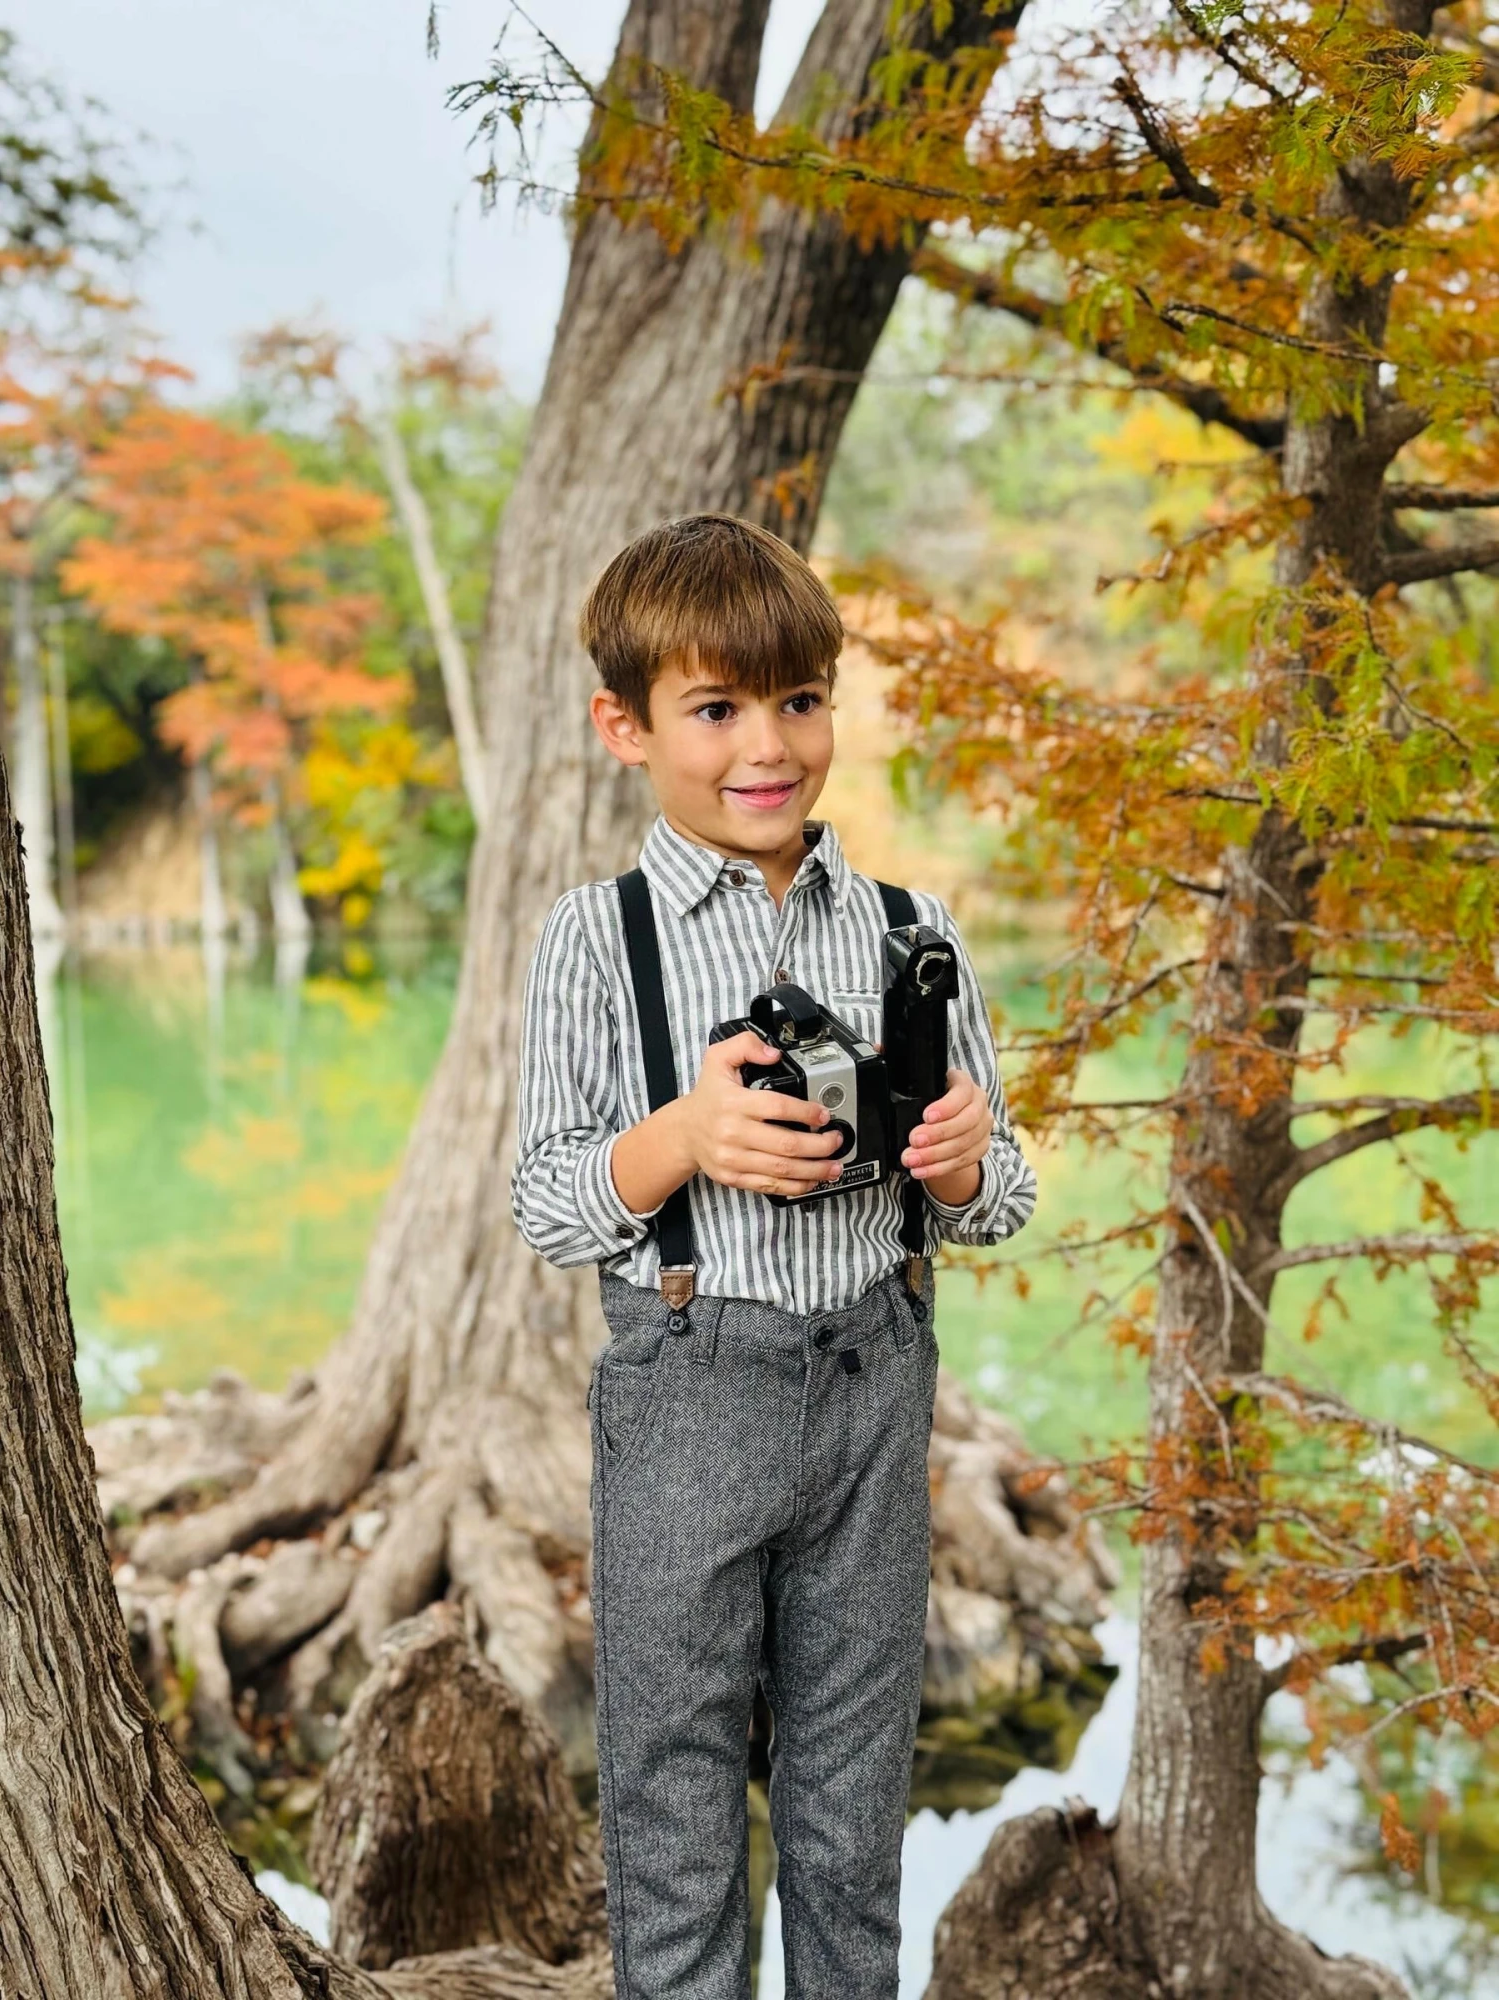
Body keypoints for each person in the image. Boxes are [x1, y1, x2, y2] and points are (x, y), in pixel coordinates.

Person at [510, 513, 1037, 2000]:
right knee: (673, 1806)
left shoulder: (912, 932)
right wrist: (687, 1137)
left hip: (876, 1379)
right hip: (689, 1384)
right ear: (625, 727)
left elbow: (1003, 1194)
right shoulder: (596, 939)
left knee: (853, 1809)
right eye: (716, 709)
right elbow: (548, 1200)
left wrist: (963, 1161)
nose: (769, 747)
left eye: (800, 701)